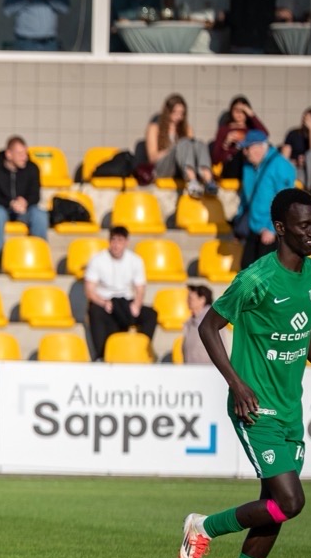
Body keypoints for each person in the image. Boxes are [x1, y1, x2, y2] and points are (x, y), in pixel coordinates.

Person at [178, 189, 311, 558]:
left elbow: (308, 336)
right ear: (280, 228)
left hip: (290, 409)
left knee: (274, 509)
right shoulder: (256, 278)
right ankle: (203, 527)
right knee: (290, 500)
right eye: (302, 225)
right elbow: (209, 326)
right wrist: (236, 384)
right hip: (254, 407)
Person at [84, 226, 158, 360]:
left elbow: (140, 287)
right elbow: (89, 289)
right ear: (109, 241)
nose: (116, 244)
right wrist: (103, 302)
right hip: (105, 302)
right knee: (95, 312)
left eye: (120, 240)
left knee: (151, 314)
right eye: (113, 240)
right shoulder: (98, 259)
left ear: (126, 242)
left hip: (126, 302)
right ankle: (101, 355)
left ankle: (143, 350)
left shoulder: (135, 260)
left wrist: (137, 303)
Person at [0, 137, 48, 271]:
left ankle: (39, 256)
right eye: (20, 154)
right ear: (9, 154)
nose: (24, 157)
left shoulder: (32, 168)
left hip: (24, 209)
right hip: (0, 207)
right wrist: (11, 203)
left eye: (25, 153)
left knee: (39, 215)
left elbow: (35, 194)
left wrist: (25, 202)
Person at [237, 128, 298, 267]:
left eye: (247, 148)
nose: (245, 152)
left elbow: (286, 201)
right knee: (247, 269)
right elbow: (246, 197)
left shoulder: (280, 165)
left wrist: (272, 228)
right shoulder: (249, 166)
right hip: (254, 227)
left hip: (271, 230)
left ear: (259, 147)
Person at [143, 94, 216, 196]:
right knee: (183, 143)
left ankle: (208, 179)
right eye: (175, 113)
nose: (178, 117)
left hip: (182, 167)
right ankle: (192, 181)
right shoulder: (154, 128)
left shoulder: (187, 128)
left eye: (182, 113)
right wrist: (174, 149)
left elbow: (192, 150)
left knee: (199, 143)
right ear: (167, 112)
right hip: (162, 167)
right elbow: (153, 157)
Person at [210, 96, 267, 182]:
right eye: (236, 110)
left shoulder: (251, 130)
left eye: (243, 111)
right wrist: (227, 143)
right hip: (231, 167)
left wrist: (251, 114)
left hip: (250, 166)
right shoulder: (224, 130)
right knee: (240, 154)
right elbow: (216, 158)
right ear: (231, 111)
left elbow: (264, 135)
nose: (239, 114)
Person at [281, 106, 311, 193]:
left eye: (310, 119)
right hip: (297, 169)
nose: (305, 120)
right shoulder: (293, 133)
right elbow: (283, 158)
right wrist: (296, 162)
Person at [180, 284, 214, 365]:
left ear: (202, 300)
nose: (187, 301)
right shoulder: (191, 322)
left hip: (207, 371)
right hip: (192, 370)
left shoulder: (212, 321)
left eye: (191, 299)